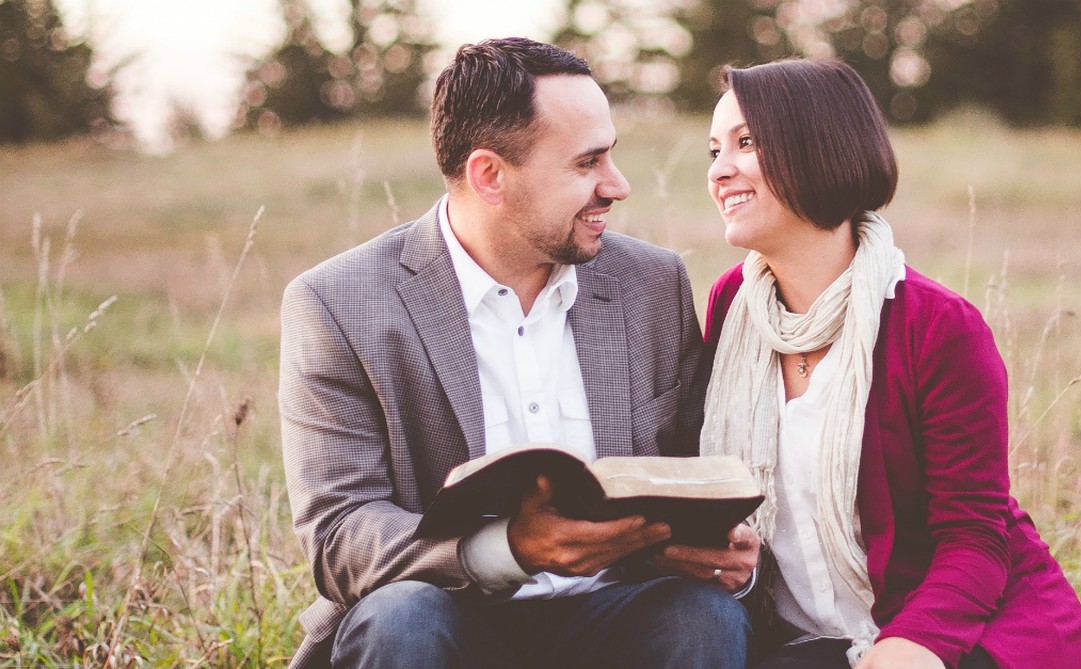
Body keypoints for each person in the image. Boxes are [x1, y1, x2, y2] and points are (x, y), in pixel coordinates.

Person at [278, 38, 752, 669]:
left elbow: (692, 471)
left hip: (616, 617)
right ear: (490, 176)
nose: (618, 185)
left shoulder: (651, 283)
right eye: (587, 163)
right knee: (403, 618)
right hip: (445, 618)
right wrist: (509, 548)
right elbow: (339, 538)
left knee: (703, 618)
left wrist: (715, 550)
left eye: (612, 156)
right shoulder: (338, 302)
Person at [697, 59, 1081, 669]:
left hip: (964, 635)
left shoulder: (936, 326)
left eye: (747, 142)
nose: (719, 170)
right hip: (811, 642)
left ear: (818, 149)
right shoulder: (732, 305)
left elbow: (974, 539)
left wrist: (905, 650)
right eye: (714, 150)